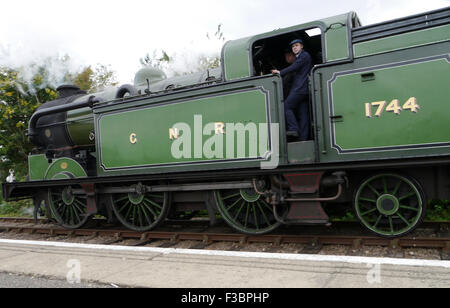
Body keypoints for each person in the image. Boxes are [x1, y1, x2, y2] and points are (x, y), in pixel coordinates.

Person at [272, 39, 312, 141]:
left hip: (299, 88)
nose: (294, 48)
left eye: (296, 45)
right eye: (293, 46)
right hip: (304, 89)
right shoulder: (302, 56)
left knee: (286, 106)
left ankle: (294, 128)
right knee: (303, 114)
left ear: (301, 46)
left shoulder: (304, 56)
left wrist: (279, 72)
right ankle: (303, 138)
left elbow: (294, 67)